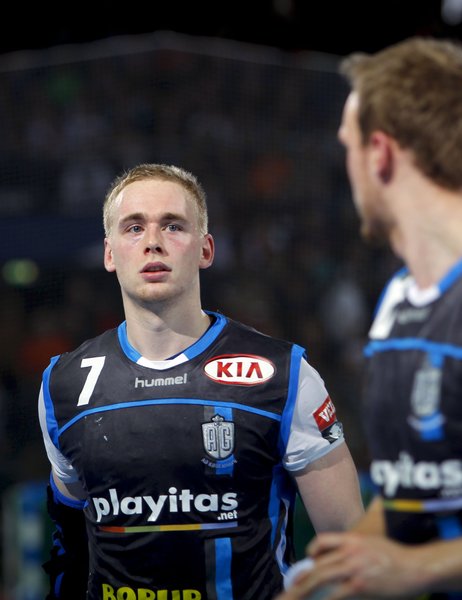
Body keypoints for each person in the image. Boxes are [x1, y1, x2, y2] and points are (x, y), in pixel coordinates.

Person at [38, 163, 364, 600]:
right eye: (134, 228)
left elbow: (351, 550)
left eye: (173, 226)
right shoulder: (62, 385)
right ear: (109, 254)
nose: (153, 241)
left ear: (206, 249)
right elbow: (70, 547)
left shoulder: (284, 374)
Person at [276, 36, 462, 600]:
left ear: (378, 153)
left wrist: (421, 568)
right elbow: (416, 492)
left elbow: (414, 561)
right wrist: (332, 571)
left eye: (347, 146)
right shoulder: (398, 302)